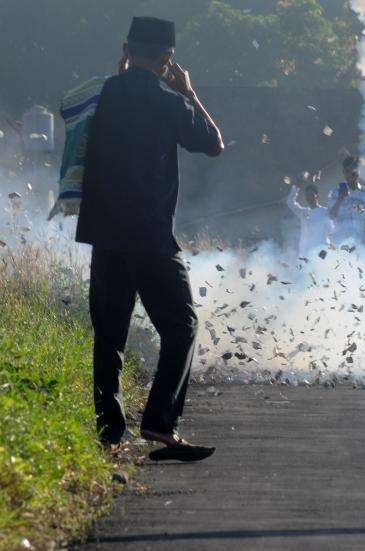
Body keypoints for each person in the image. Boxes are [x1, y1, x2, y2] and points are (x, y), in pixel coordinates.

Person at [75, 17, 224, 459]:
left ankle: (109, 432)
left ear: (125, 49)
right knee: (181, 327)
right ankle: (160, 423)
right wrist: (189, 92)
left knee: (110, 333)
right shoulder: (167, 100)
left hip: (105, 235)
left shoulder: (100, 95)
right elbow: (214, 144)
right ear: (166, 60)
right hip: (151, 237)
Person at [328, 156, 365, 249]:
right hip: (340, 242)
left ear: (358, 172)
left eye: (353, 171)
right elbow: (330, 216)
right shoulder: (335, 192)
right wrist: (340, 199)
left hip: (359, 242)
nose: (350, 174)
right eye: (347, 171)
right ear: (343, 172)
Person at [286, 182, 333, 256]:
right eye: (307, 195)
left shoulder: (325, 212)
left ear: (317, 196)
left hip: (322, 250)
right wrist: (297, 186)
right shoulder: (303, 212)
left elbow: (331, 230)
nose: (309, 198)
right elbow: (290, 202)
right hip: (306, 252)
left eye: (311, 195)